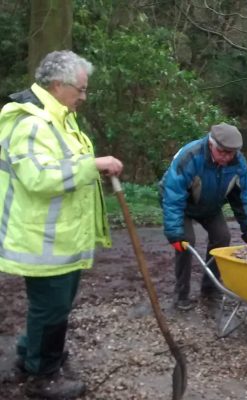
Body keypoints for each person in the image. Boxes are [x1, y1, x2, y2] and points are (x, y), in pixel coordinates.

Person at [0, 50, 123, 399]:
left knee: (54, 306)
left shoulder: (61, 119)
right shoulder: (28, 122)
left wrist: (93, 170)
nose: (83, 97)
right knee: (51, 307)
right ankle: (43, 376)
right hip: (41, 238)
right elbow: (39, 177)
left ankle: (31, 355)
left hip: (62, 237)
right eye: (80, 89)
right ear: (58, 85)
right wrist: (94, 165)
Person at [160, 123, 247, 311]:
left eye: (231, 154)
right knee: (186, 241)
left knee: (222, 237)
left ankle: (210, 289)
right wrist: (174, 233)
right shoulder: (191, 156)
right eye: (222, 152)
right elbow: (173, 194)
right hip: (182, 204)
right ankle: (181, 295)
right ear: (211, 144)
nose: (226, 158)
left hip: (210, 204)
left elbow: (244, 196)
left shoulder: (238, 162)